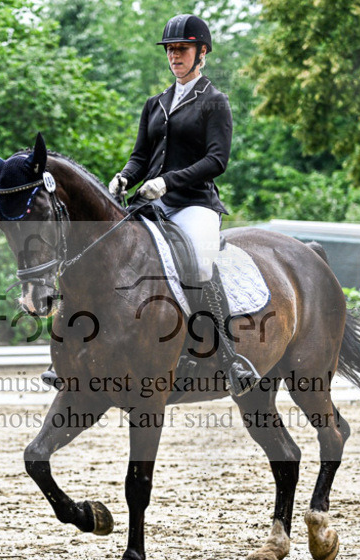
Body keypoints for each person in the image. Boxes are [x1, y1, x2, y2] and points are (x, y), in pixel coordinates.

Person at [108, 13, 260, 397]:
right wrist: (125, 175)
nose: (175, 56)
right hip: (151, 203)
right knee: (109, 252)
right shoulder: (154, 103)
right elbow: (140, 155)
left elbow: (216, 160)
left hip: (194, 203)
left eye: (183, 49)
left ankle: (228, 357)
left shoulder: (214, 102)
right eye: (171, 50)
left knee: (198, 261)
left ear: (202, 52)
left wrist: (168, 181)